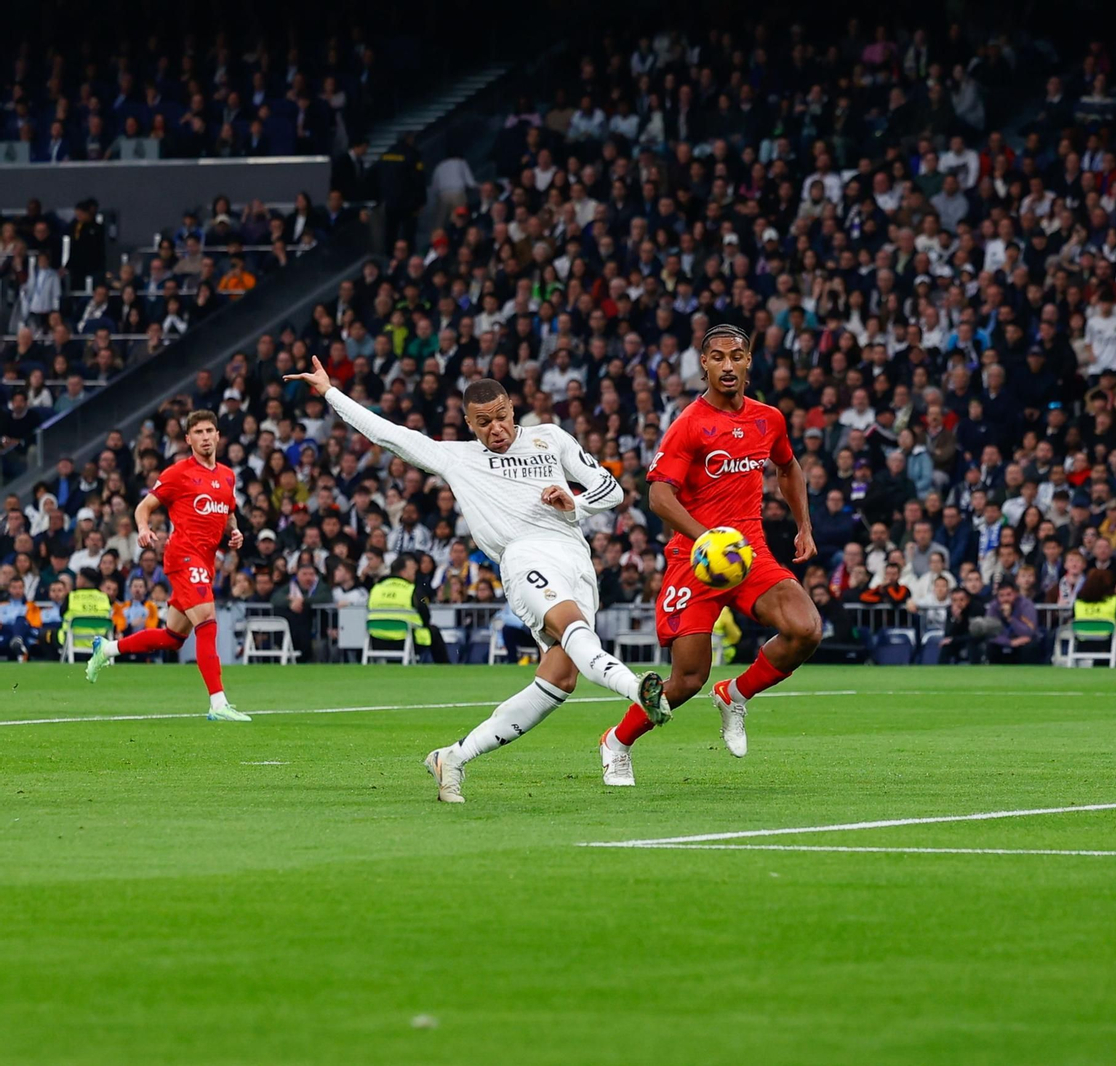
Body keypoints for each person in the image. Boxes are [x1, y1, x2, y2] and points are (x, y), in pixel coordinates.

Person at [284, 357, 666, 802]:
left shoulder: (550, 438)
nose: (496, 429)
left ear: (512, 409)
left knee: (560, 679)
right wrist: (330, 392)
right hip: (523, 556)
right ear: (469, 423)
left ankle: (453, 758)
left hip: (575, 559)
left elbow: (612, 489)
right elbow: (388, 434)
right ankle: (635, 687)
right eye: (483, 422)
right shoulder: (458, 458)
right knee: (573, 628)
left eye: (502, 417)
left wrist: (574, 503)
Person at [601, 323, 821, 784]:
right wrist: (706, 539)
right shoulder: (689, 425)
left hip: (748, 551)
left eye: (735, 357)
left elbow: (789, 467)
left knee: (805, 629)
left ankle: (735, 694)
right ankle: (617, 742)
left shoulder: (768, 418)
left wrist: (803, 525)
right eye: (717, 357)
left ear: (747, 362)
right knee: (685, 680)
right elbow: (659, 496)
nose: (727, 365)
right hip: (693, 558)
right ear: (704, 363)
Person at [83, 410, 248, 720]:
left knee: (173, 638)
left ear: (218, 435)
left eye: (209, 430)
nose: (204, 437)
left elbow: (228, 512)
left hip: (206, 560)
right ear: (188, 439)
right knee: (208, 622)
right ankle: (218, 704)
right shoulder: (178, 473)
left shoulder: (227, 475)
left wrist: (234, 530)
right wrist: (144, 529)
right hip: (183, 556)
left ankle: (106, 650)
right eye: (197, 432)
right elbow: (144, 507)